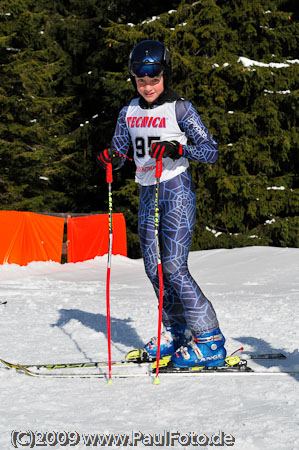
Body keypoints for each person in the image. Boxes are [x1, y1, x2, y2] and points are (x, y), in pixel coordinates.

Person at [97, 40, 226, 367]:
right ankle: (177, 330)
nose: (148, 87)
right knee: (154, 269)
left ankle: (210, 340)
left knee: (173, 268)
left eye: (154, 81)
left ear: (165, 76)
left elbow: (211, 151)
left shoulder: (180, 109)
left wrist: (177, 149)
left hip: (175, 190)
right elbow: (122, 152)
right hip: (146, 191)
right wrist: (111, 158)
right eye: (141, 81)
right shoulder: (129, 111)